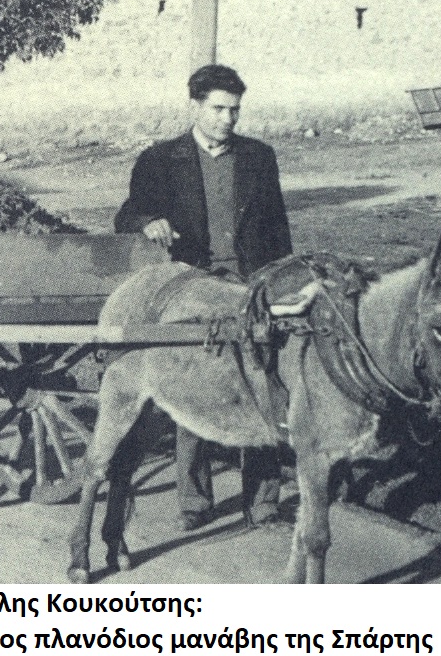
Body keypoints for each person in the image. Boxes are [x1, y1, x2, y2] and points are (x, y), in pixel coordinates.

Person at [114, 64, 293, 531]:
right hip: (192, 289)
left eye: (234, 110)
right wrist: (147, 221)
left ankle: (264, 502)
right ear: (194, 106)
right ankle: (194, 500)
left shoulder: (258, 158)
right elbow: (128, 212)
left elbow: (277, 228)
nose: (227, 119)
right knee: (193, 384)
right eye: (217, 109)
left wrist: (280, 281)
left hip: (250, 287)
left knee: (263, 382)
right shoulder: (160, 160)